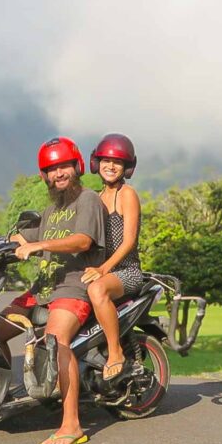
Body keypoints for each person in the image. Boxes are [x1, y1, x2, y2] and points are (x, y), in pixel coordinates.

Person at [2, 136, 107, 444]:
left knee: (56, 342)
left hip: (73, 288)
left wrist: (39, 245)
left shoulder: (88, 200)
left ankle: (72, 425)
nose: (59, 173)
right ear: (44, 176)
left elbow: (83, 241)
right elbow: (19, 238)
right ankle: (4, 393)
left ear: (76, 167)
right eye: (52, 169)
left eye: (64, 166)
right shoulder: (50, 211)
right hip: (42, 290)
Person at [82, 133, 143, 383]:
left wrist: (104, 269)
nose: (110, 166)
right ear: (96, 163)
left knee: (97, 291)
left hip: (126, 271)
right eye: (106, 160)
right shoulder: (94, 198)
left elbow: (129, 241)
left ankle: (115, 352)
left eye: (117, 162)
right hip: (102, 270)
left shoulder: (126, 194)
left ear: (126, 167)